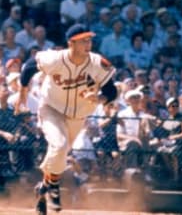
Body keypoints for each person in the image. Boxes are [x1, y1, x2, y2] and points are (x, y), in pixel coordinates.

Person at [14, 23, 118, 215]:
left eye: (90, 40)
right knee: (60, 145)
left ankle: (44, 188)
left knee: (59, 155)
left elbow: (111, 91)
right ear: (71, 43)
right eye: (83, 41)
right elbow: (29, 66)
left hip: (77, 116)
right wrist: (23, 91)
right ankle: (53, 189)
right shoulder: (56, 58)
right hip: (51, 108)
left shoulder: (96, 62)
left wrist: (100, 98)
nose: (88, 44)